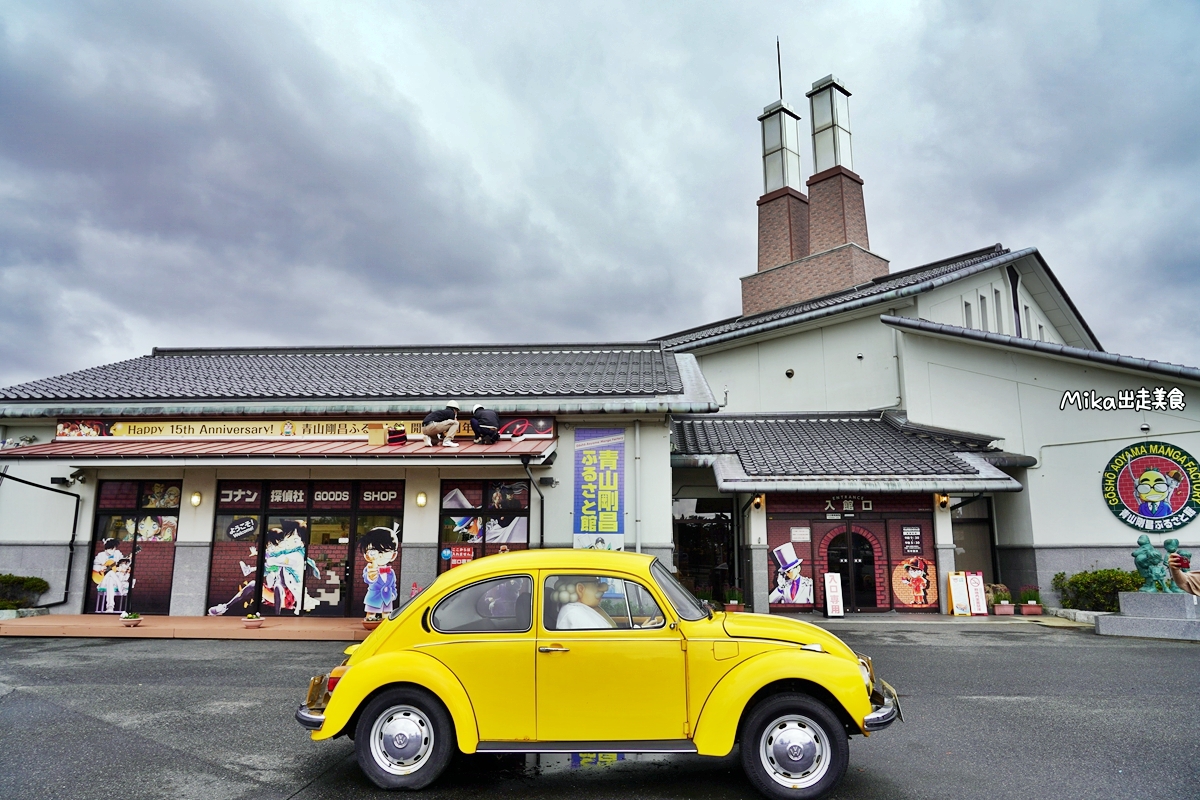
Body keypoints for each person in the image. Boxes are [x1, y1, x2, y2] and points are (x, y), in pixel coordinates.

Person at [359, 525, 400, 619]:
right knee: (371, 615)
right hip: (374, 597)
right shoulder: (370, 568)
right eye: (374, 551)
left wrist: (393, 594)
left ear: (393, 555)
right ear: (367, 555)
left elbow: (393, 585)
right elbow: (367, 579)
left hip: (387, 598)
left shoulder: (391, 572)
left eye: (385, 551)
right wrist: (371, 576)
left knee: (387, 615)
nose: (380, 555)